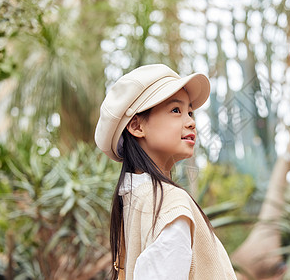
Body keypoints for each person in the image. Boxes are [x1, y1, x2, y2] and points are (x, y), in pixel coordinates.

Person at [95, 64, 237, 280]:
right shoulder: (169, 203)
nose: (191, 122)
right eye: (176, 110)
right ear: (137, 126)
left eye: (190, 112)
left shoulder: (135, 198)